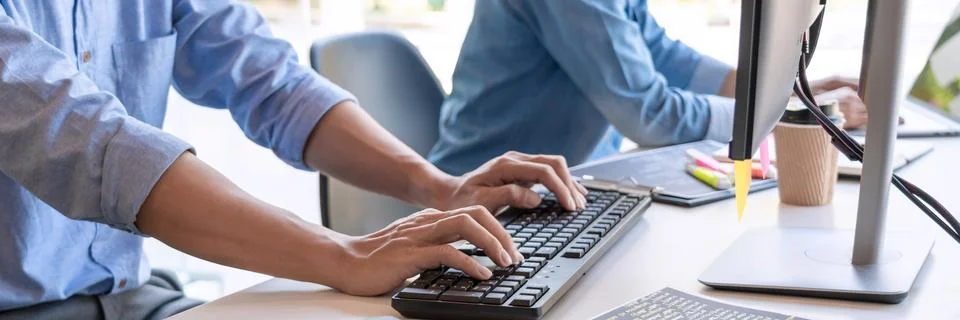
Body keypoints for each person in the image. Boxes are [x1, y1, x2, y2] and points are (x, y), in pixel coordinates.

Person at [0, 1, 590, 319]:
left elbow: (272, 83)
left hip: (133, 296)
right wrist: (345, 253)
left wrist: (441, 187)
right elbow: (95, 146)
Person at [428, 0, 868, 175]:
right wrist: (785, 113)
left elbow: (663, 55)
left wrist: (787, 91)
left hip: (568, 186)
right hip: (485, 199)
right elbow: (651, 115)